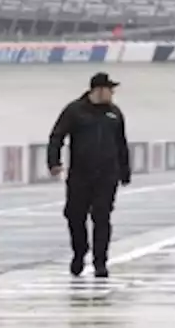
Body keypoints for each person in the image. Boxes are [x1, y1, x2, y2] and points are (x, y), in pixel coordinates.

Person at [48, 72, 131, 278]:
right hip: (80, 175)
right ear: (98, 90)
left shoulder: (115, 113)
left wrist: (125, 170)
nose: (112, 93)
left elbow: (121, 144)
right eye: (109, 90)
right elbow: (57, 136)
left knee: (102, 217)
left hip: (107, 175)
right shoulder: (75, 110)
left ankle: (100, 262)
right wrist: (54, 162)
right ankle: (80, 251)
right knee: (74, 216)